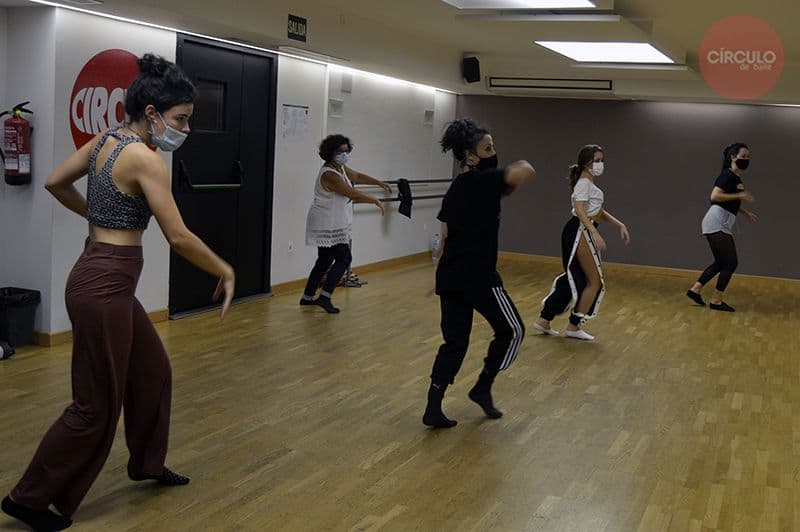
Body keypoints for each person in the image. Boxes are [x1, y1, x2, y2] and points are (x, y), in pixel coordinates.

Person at [2, 54, 235, 531]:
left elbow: (54, 182)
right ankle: (28, 498)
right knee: (94, 406)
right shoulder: (146, 159)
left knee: (153, 371)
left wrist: (97, 214)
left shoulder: (106, 140)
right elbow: (178, 237)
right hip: (104, 285)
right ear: (152, 113)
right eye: (180, 119)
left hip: (100, 277)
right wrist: (225, 269)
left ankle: (147, 463)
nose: (185, 129)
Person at [423, 118, 535, 429]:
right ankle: (482, 386)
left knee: (454, 343)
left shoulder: (456, 187)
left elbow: (445, 233)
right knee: (513, 331)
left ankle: (433, 407)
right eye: (487, 149)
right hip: (480, 278)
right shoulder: (482, 182)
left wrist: (439, 274)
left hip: (452, 277)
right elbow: (524, 170)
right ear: (469, 156)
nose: (493, 153)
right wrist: (514, 171)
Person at [534, 144, 630, 341]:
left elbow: (598, 212)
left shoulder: (589, 184)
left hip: (582, 229)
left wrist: (619, 224)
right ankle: (574, 326)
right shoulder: (584, 183)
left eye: (602, 160)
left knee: (577, 278)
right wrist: (594, 232)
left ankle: (545, 319)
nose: (601, 164)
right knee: (594, 282)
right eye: (597, 161)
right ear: (586, 163)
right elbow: (579, 210)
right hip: (580, 230)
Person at [300, 135, 389, 313]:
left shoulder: (339, 168)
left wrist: (378, 182)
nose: (344, 154)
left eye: (346, 151)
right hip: (327, 222)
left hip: (331, 220)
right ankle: (325, 297)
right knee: (344, 258)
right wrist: (374, 200)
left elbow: (356, 176)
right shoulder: (329, 174)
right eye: (340, 151)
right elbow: (351, 193)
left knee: (325, 259)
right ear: (330, 153)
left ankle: (307, 297)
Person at [686, 143, 756, 312]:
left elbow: (730, 201)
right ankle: (716, 300)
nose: (746, 159)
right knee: (731, 263)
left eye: (748, 157)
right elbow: (715, 196)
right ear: (733, 157)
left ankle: (695, 290)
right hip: (717, 221)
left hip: (720, 221)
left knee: (720, 262)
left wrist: (744, 212)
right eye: (743, 156)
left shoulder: (736, 178)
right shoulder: (727, 175)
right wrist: (739, 195)